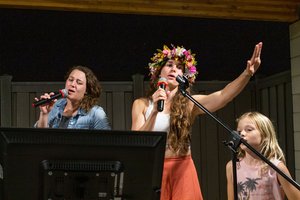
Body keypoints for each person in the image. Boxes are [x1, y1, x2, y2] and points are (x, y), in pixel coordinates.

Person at [131, 42, 263, 200]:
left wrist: (247, 74)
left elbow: (223, 96)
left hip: (182, 168)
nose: (174, 69)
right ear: (158, 71)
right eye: (169, 64)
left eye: (179, 67)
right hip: (153, 170)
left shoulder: (188, 103)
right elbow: (137, 142)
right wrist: (153, 112)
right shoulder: (141, 104)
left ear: (184, 76)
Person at [226, 111, 300, 200]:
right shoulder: (232, 166)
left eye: (249, 130)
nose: (242, 134)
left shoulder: (276, 167)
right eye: (239, 131)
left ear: (265, 135)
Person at [34, 65, 111, 129]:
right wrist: (44, 114)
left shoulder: (96, 113)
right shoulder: (56, 105)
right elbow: (40, 137)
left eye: (79, 83)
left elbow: (106, 141)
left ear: (86, 90)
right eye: (70, 80)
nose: (72, 84)